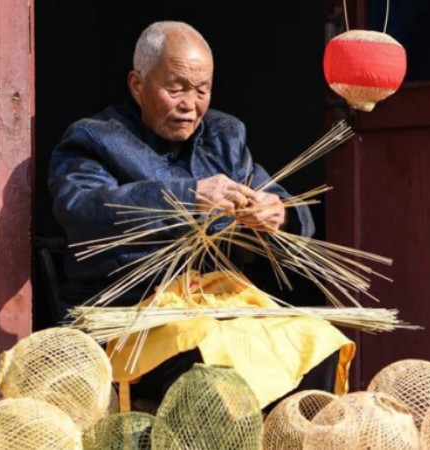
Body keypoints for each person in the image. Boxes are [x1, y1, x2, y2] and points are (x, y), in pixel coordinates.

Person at [49, 21, 347, 410]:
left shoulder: (224, 136)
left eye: (201, 90)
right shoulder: (94, 140)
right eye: (176, 89)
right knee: (207, 355)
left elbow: (279, 197)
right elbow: (81, 210)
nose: (190, 104)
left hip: (219, 303)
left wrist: (281, 215)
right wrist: (188, 197)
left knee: (315, 339)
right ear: (137, 85)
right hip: (134, 314)